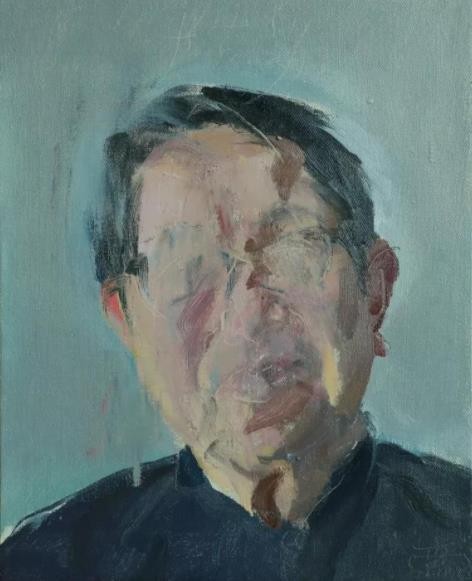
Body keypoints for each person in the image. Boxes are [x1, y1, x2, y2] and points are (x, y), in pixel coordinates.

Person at [1, 85, 470, 580]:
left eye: (294, 248)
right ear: (126, 320)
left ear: (374, 290)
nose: (248, 315)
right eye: (188, 266)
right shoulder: (46, 563)